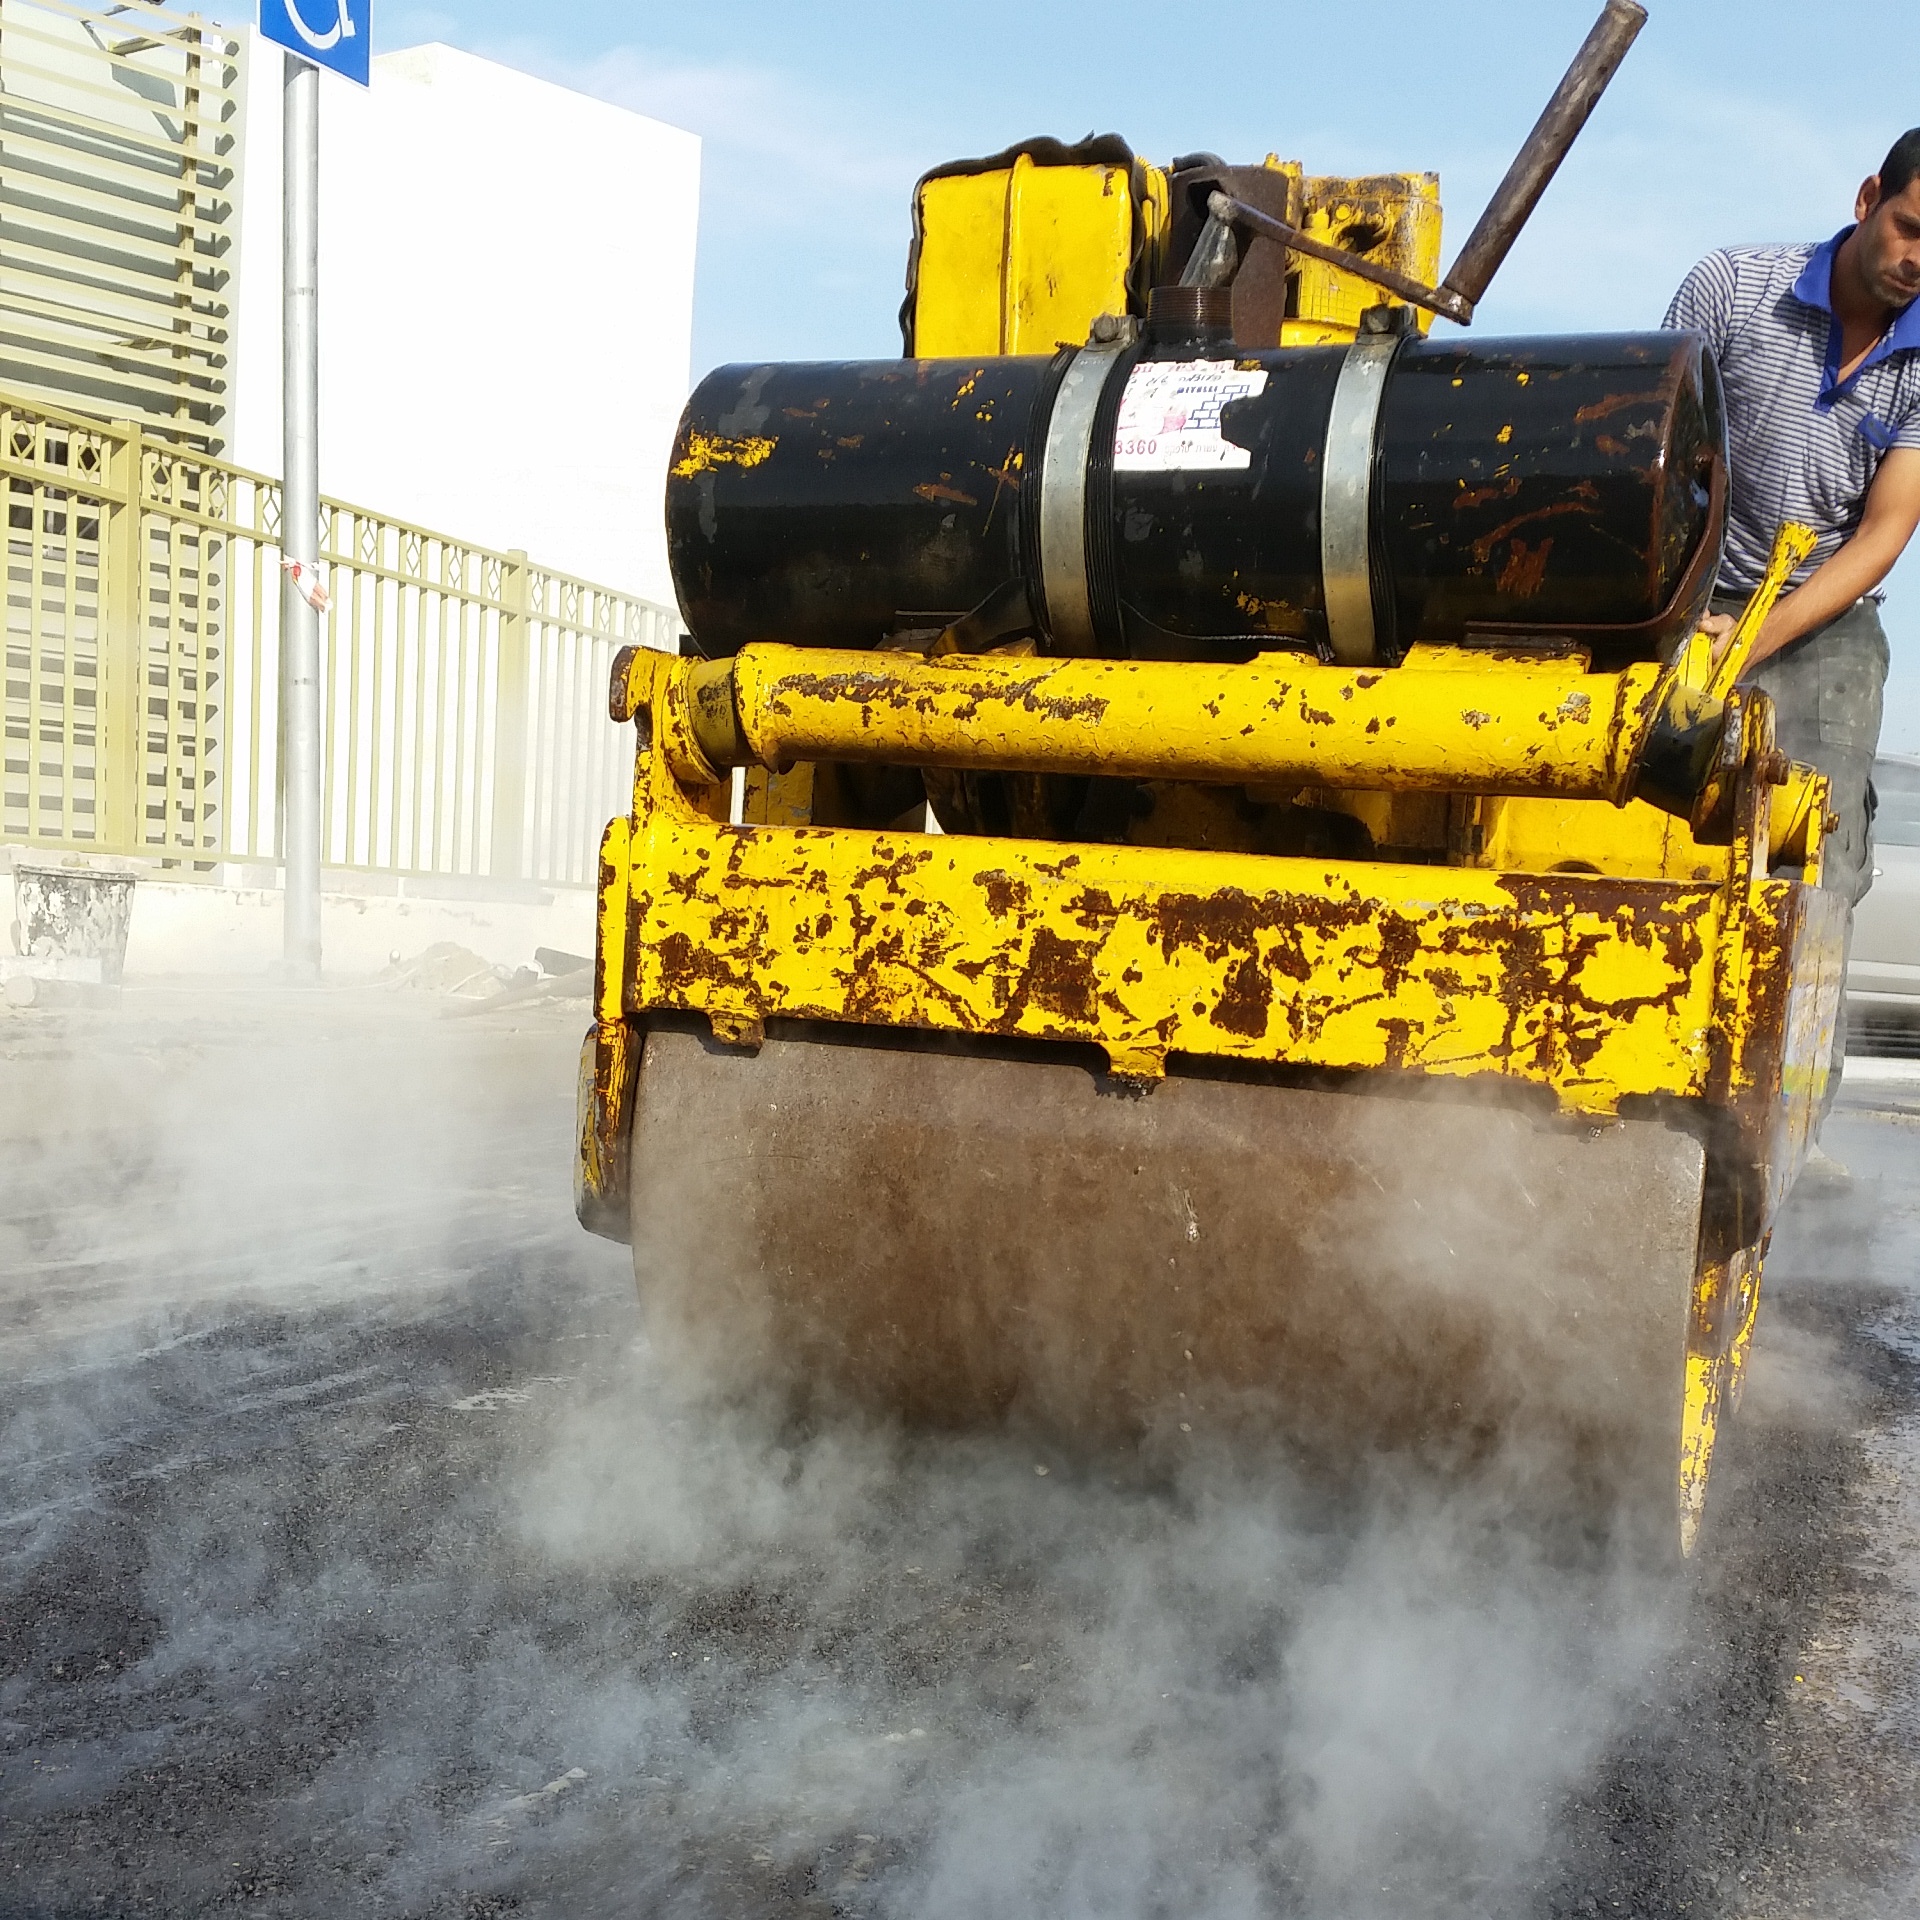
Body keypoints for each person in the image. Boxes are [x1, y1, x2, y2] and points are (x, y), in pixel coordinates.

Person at [1666, 129, 1920, 1134]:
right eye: (1911, 228)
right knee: (1642, 820)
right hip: (1683, 597)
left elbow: (1884, 533)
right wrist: (1685, 617)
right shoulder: (1732, 288)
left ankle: (1784, 1136)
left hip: (1823, 620)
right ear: (1869, 198)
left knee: (1822, 859)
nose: (1918, 260)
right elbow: (1654, 451)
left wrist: (1754, 638)